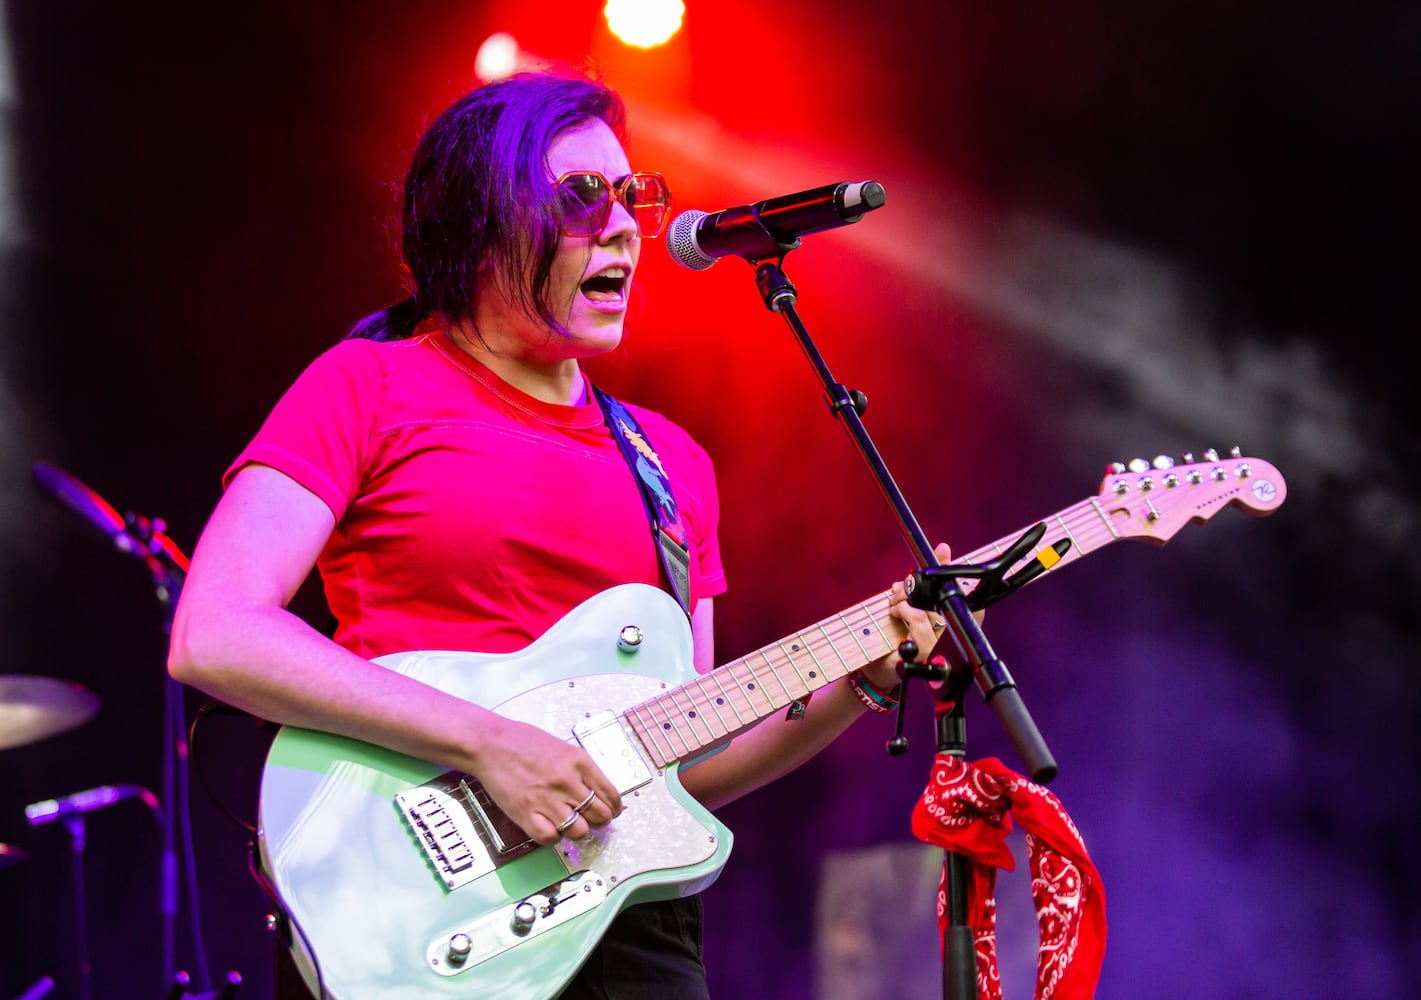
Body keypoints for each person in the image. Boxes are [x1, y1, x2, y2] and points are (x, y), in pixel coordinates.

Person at [167, 70, 949, 998]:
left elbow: (685, 762)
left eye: (631, 197)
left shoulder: (671, 463)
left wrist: (859, 678)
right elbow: (214, 632)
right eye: (579, 197)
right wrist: (487, 743)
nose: (622, 225)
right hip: (407, 911)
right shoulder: (366, 389)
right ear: (478, 221)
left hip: (627, 930)